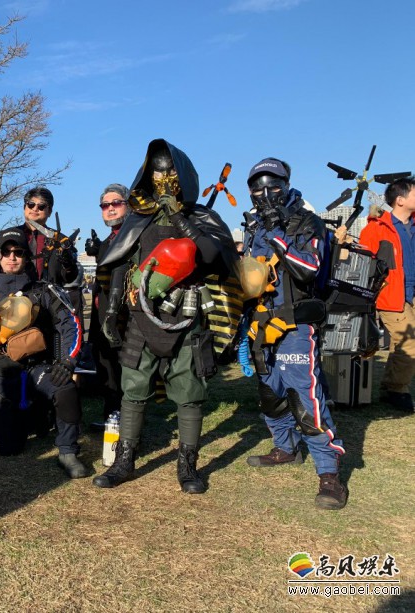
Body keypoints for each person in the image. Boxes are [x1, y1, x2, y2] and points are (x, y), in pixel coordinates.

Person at [92, 139, 236, 494]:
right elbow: (120, 263)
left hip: (187, 316)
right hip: (141, 316)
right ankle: (124, 461)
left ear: (182, 175)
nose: (163, 179)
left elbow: (214, 257)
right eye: (157, 172)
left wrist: (180, 220)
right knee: (133, 389)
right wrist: (111, 311)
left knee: (190, 391)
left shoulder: (201, 218)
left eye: (170, 171)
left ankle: (188, 467)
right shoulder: (137, 219)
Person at [241, 157, 347, 510]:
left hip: (296, 324)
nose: (265, 193)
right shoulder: (253, 226)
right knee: (270, 393)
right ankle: (285, 448)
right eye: (257, 187)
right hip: (260, 324)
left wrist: (277, 235)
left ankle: (328, 471)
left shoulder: (306, 221)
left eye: (273, 185)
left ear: (286, 185)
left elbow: (309, 269)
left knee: (305, 398)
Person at [0, 227, 87, 477]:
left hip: (38, 368)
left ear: (27, 257)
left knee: (65, 388)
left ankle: (68, 451)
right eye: (6, 252)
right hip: (2, 375)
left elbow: (71, 324)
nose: (12, 257)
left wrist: (68, 361)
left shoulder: (43, 289)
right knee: (9, 448)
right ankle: (33, 416)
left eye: (18, 252)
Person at [359, 176, 415, 412]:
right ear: (400, 200)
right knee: (410, 343)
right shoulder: (376, 228)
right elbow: (363, 264)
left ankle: (391, 386)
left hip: (412, 292)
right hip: (391, 295)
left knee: (402, 343)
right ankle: (395, 390)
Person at [84, 184, 130, 426]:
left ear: (128, 205)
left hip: (125, 316)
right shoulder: (107, 241)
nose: (110, 209)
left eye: (116, 203)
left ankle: (128, 421)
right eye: (105, 205)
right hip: (101, 314)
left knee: (124, 367)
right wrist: (98, 251)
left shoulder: (135, 235)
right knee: (104, 364)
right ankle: (112, 416)